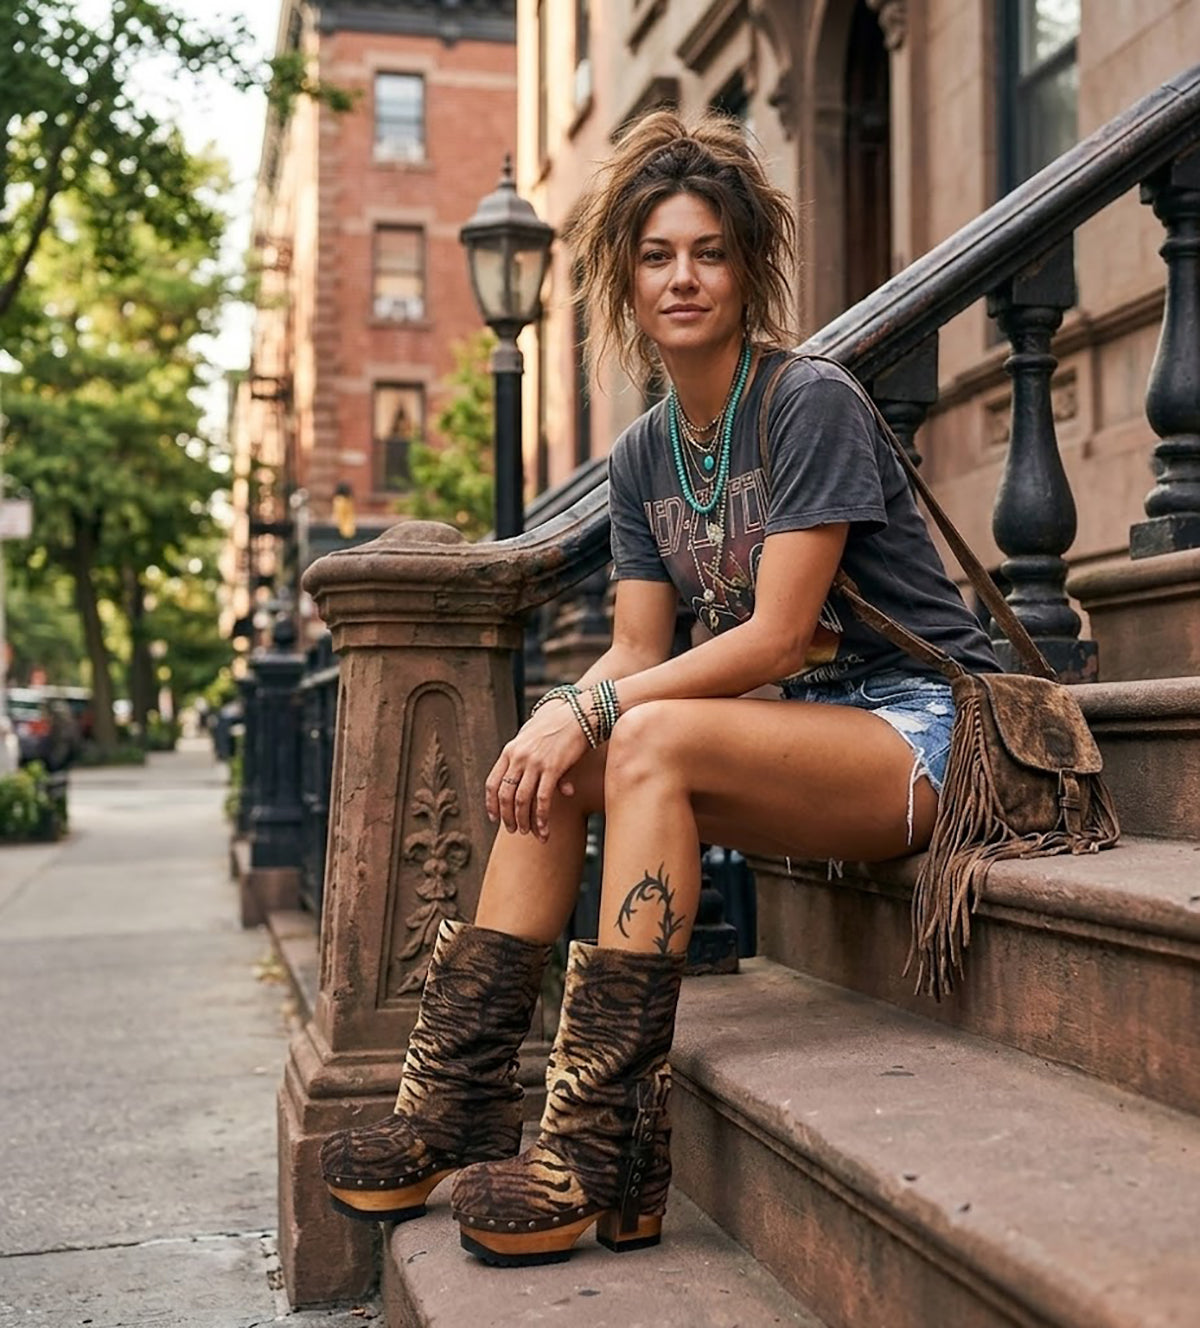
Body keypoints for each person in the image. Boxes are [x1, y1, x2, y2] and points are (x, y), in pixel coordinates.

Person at [319, 110, 999, 1268]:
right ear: (623, 281)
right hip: (810, 738)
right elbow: (637, 647)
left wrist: (596, 707)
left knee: (642, 742)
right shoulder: (644, 451)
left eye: (708, 252)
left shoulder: (807, 401)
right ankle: (458, 1103)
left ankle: (598, 1143)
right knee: (575, 757)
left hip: (934, 729)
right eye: (656, 255)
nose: (683, 277)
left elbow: (782, 635)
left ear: (745, 269)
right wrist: (559, 712)